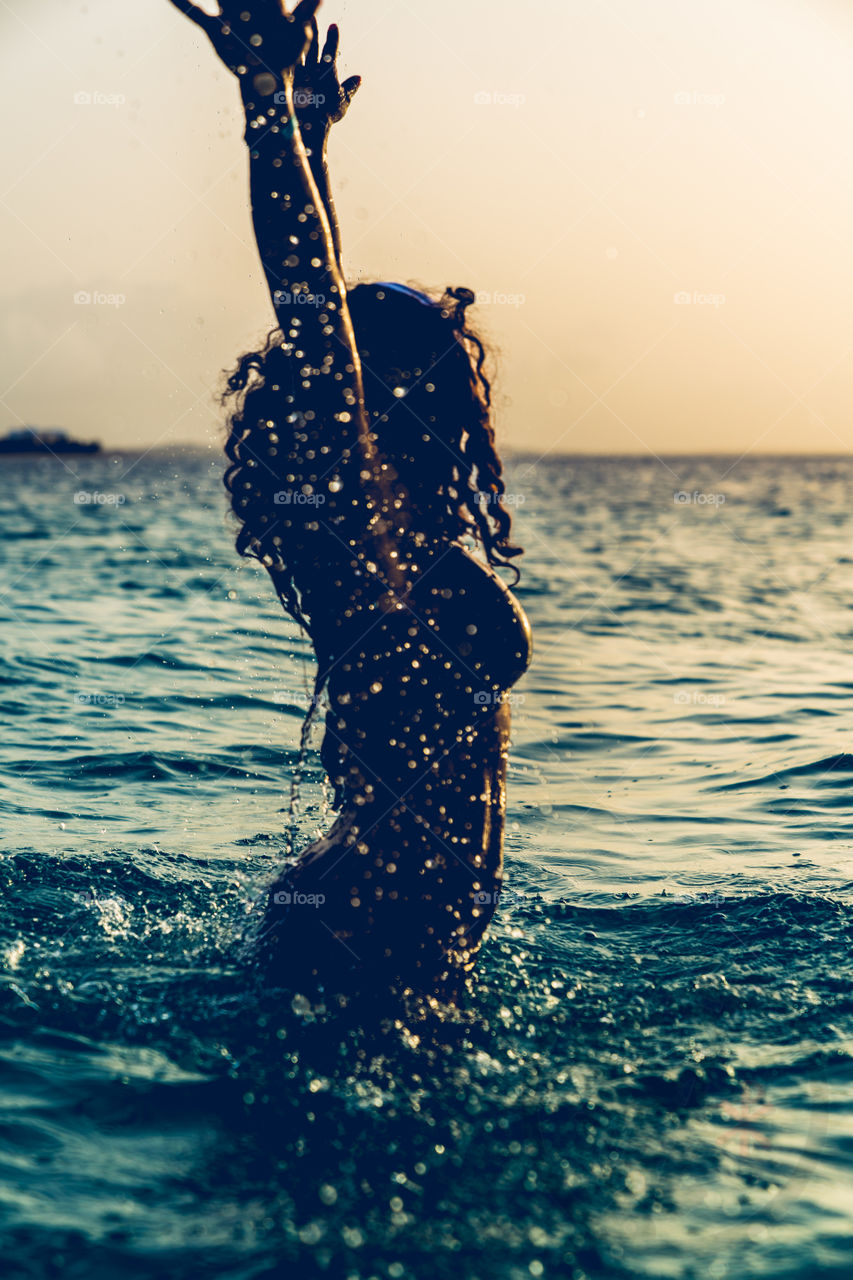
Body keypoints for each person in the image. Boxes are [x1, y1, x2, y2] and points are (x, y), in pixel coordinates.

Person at [170, 0, 532, 999]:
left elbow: (322, 301)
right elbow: (309, 297)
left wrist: (308, 143)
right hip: (362, 946)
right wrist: (266, 112)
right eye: (435, 363)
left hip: (406, 951)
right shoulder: (354, 539)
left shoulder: (391, 540)